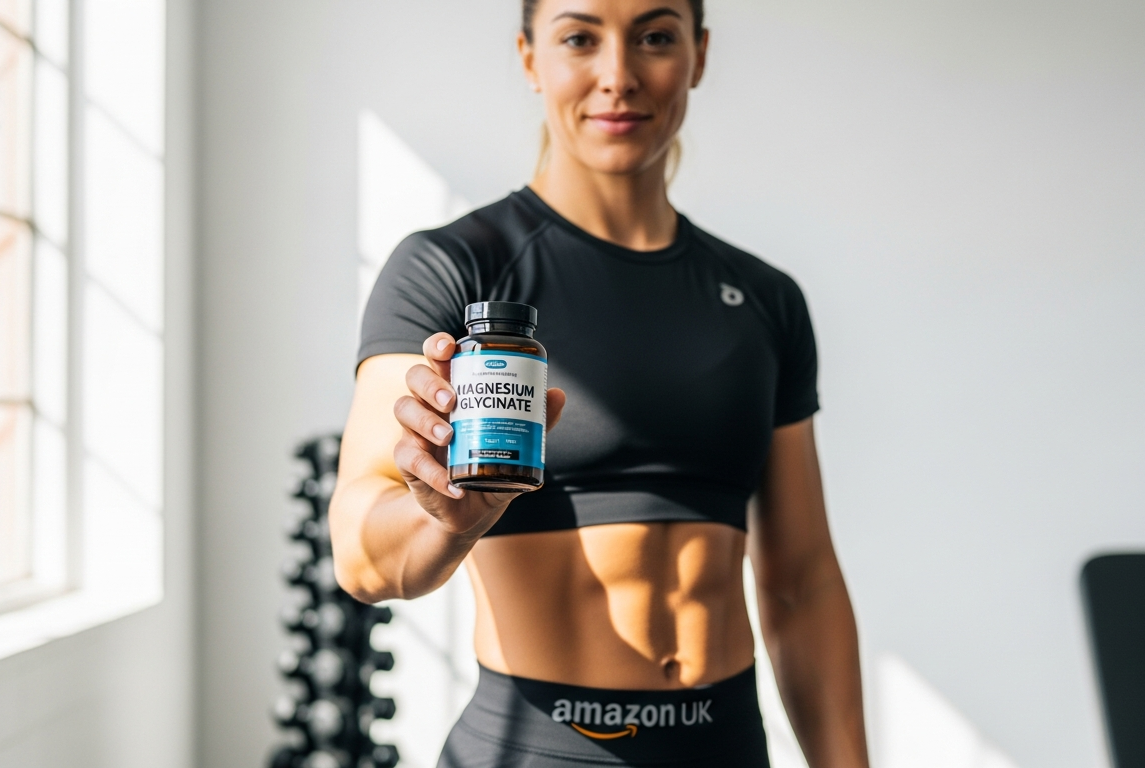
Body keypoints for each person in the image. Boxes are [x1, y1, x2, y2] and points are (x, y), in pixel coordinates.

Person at [329, 1, 870, 765]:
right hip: (534, 750)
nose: (618, 76)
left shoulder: (764, 298)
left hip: (726, 748)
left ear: (699, 55)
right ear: (529, 58)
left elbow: (803, 583)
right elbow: (361, 556)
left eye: (654, 37)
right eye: (579, 38)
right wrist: (446, 522)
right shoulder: (454, 270)